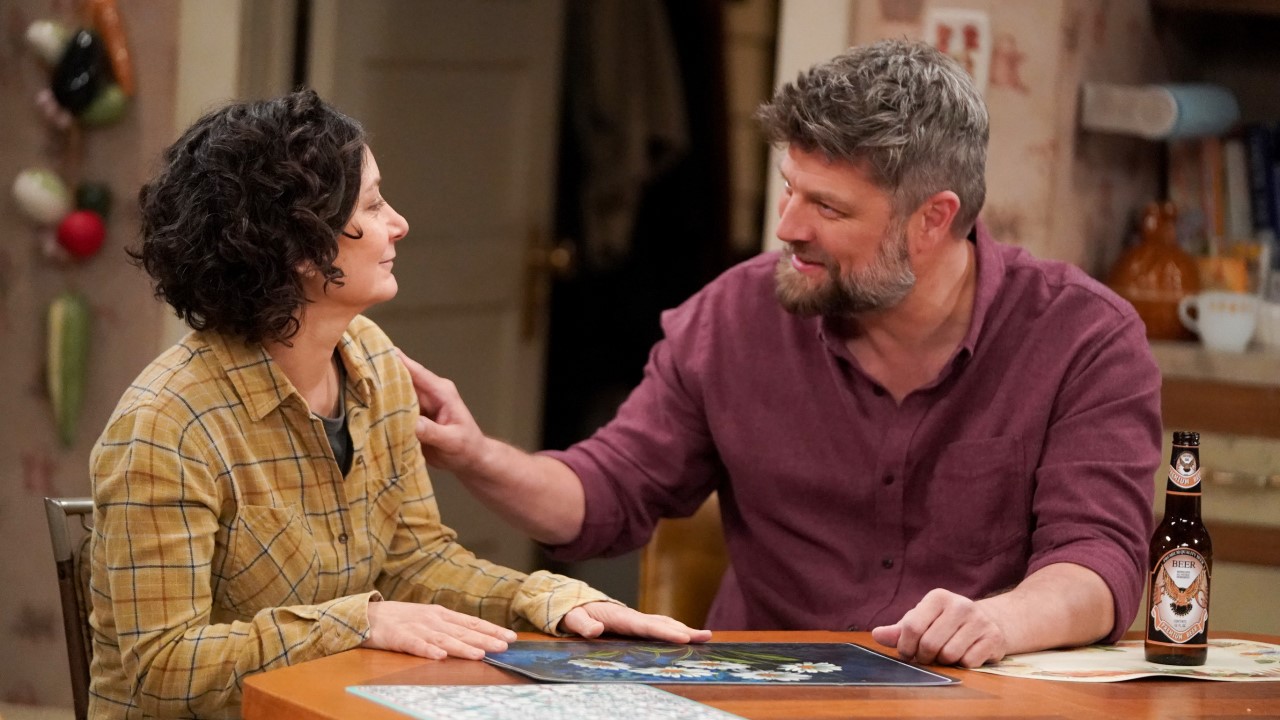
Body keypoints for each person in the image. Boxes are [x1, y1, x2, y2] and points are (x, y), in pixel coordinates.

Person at [400, 39, 1162, 668]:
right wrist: (477, 456)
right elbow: (607, 494)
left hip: (982, 699)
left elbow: (1099, 561)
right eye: (789, 189)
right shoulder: (732, 317)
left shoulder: (1084, 338)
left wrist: (1003, 621)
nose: (788, 226)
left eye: (827, 207)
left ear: (934, 221)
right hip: (762, 697)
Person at [87, 89, 709, 719]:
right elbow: (161, 668)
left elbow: (414, 560)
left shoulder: (370, 359)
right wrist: (359, 622)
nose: (399, 223)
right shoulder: (166, 425)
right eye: (374, 204)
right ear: (301, 248)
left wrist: (550, 602)